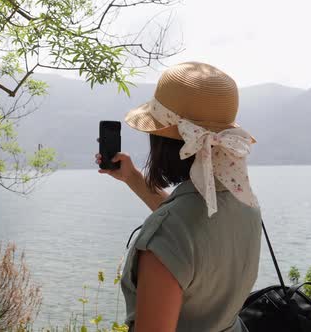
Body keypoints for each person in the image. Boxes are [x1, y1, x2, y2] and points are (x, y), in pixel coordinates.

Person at [95, 62, 262, 332]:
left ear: (162, 141)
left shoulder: (168, 235)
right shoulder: (244, 201)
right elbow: (194, 233)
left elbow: (180, 237)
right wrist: (133, 179)